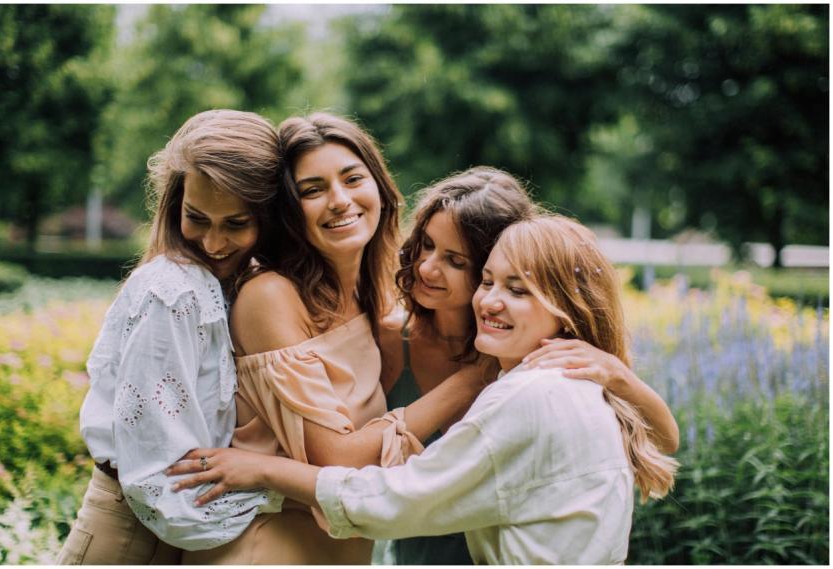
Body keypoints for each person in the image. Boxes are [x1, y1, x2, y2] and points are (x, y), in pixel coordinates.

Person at [170, 213, 680, 564]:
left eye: (518, 290)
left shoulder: (532, 395)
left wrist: (261, 468)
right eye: (489, 281)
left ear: (566, 309)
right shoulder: (576, 381)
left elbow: (393, 499)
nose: (490, 301)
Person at [179, 114, 492, 565]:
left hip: (342, 549)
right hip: (270, 545)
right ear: (289, 210)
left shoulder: (372, 298)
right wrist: (475, 377)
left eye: (352, 179)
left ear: (379, 186)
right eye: (313, 190)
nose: (340, 201)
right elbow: (337, 460)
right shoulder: (271, 295)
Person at [376, 167, 679, 564]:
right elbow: (361, 473)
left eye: (455, 260)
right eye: (426, 245)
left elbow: (663, 440)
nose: (426, 268)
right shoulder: (389, 341)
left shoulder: (538, 359)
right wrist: (472, 379)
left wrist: (617, 373)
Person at [56, 109, 284, 565]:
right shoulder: (172, 291)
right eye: (196, 218)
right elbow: (159, 475)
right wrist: (288, 488)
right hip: (129, 530)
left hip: (175, 527)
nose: (213, 243)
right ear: (174, 202)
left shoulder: (241, 285)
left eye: (236, 223)